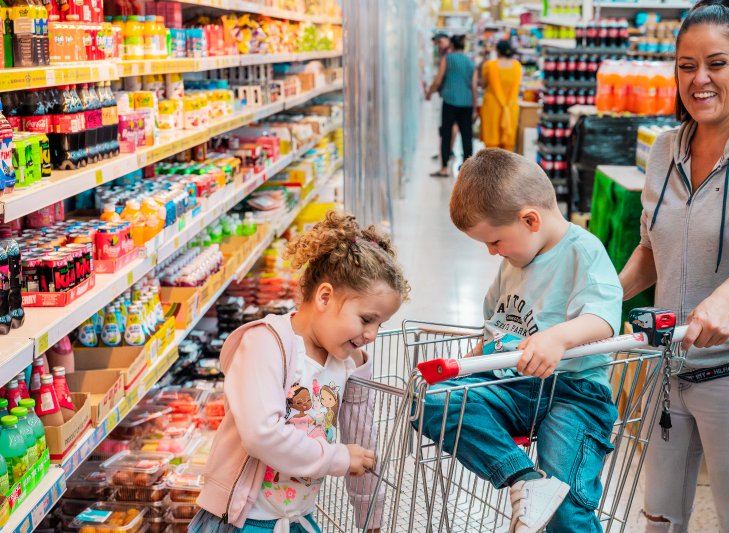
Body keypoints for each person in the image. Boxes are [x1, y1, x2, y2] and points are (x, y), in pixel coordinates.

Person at [618, 0, 729, 530]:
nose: (700, 79)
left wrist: (725, 299)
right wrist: (603, 299)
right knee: (658, 514)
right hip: (667, 365)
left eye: (716, 63)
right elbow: (652, 250)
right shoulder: (665, 148)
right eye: (686, 65)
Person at [414, 148, 623, 532]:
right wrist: (466, 368)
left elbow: (604, 318)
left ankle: (547, 493)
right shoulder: (511, 265)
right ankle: (525, 482)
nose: (492, 252)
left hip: (573, 392)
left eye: (494, 241)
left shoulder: (583, 252)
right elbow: (494, 332)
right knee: (430, 400)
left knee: (567, 503)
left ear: (530, 219)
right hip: (512, 384)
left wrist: (557, 339)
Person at [192, 211, 410, 533]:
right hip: (239, 521)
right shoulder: (266, 344)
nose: (373, 335)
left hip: (298, 520)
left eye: (380, 325)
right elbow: (261, 435)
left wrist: (371, 521)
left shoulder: (345, 360)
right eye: (366, 320)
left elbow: (362, 447)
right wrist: (337, 457)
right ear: (324, 296)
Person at [426, 34, 477, 177]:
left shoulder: (447, 59)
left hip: (450, 101)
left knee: (446, 134)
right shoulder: (470, 62)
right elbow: (474, 85)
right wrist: (475, 106)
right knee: (467, 136)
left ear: (452, 46)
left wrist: (430, 92)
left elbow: (438, 80)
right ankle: (469, 170)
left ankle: (444, 168)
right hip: (467, 102)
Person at [480, 40, 522, 150]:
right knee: (508, 146)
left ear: (498, 51)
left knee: (491, 144)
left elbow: (483, 84)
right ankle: (506, 167)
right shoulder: (517, 66)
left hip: (492, 107)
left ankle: (491, 167)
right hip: (511, 107)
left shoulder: (490, 65)